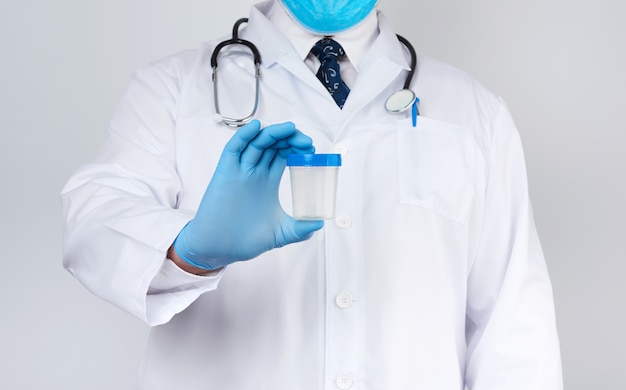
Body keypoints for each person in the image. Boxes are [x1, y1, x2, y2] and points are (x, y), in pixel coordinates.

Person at [61, 0, 563, 389]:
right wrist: (190, 249)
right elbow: (93, 219)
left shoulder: (473, 111)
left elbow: (513, 326)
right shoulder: (172, 90)